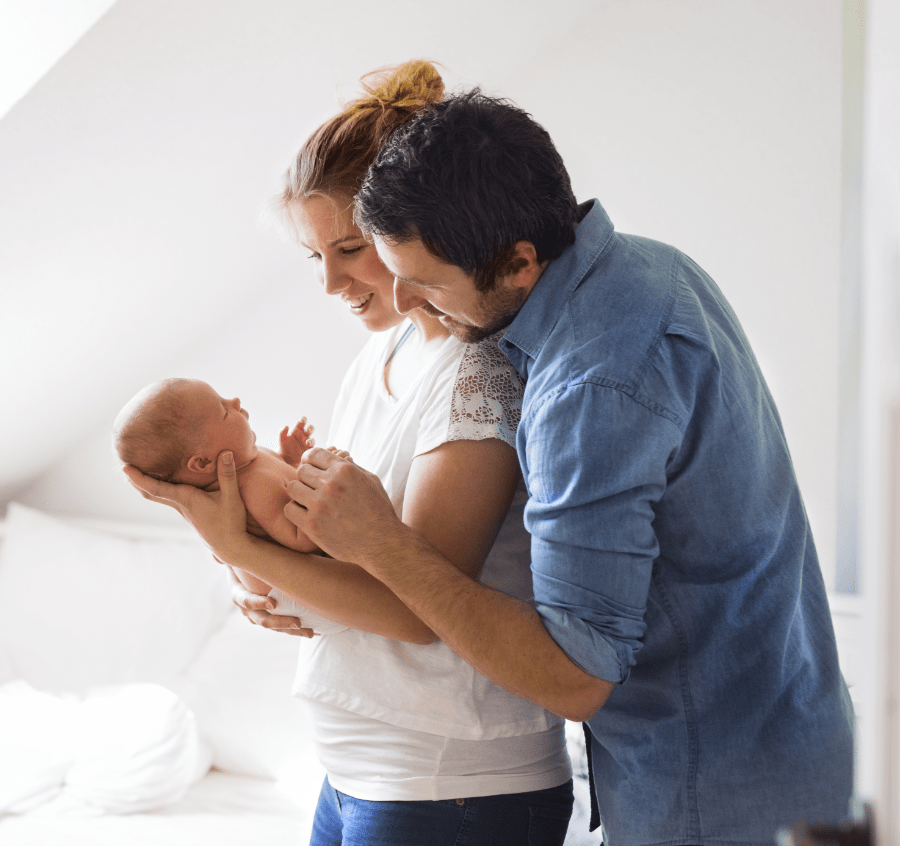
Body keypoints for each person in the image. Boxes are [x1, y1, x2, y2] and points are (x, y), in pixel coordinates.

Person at [276, 89, 856, 845]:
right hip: (788, 741)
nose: (406, 303)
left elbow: (572, 677)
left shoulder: (590, 385)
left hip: (709, 791)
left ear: (518, 263)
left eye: (425, 281)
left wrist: (383, 544)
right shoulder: (654, 267)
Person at [124, 61, 574, 846]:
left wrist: (230, 541)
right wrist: (261, 580)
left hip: (451, 780)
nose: (331, 282)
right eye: (315, 257)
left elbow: (413, 607)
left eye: (352, 248)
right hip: (356, 767)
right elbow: (343, 555)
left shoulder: (480, 375)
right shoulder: (380, 358)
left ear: (413, 225)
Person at [113, 377, 346, 635]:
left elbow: (284, 487)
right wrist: (324, 481)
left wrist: (290, 460)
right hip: (303, 604)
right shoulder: (252, 489)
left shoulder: (252, 460)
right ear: (202, 463)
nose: (235, 401)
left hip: (299, 583)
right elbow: (302, 540)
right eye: (224, 411)